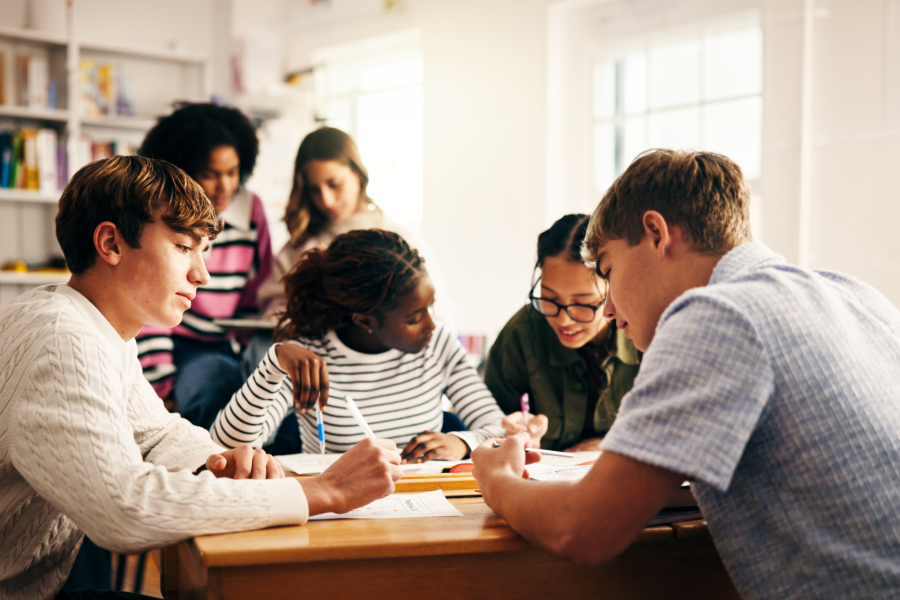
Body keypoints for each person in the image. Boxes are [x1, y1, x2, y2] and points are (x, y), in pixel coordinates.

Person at [470, 149, 900, 600]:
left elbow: (581, 529)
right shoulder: (854, 293)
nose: (610, 309)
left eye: (608, 270)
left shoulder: (716, 313)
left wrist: (497, 479)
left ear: (656, 234)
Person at [0, 156, 401, 599]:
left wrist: (221, 460)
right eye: (182, 247)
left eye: (203, 251)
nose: (202, 274)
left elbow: (155, 433)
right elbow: (124, 507)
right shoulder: (64, 341)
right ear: (111, 243)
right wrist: (321, 492)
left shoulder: (93, 328)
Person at [212, 229, 504, 463]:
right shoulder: (309, 358)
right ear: (365, 320)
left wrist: (461, 442)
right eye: (414, 318)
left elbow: (501, 432)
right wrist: (273, 363)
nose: (431, 324)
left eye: (430, 308)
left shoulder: (438, 344)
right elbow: (226, 447)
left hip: (425, 507)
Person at [135, 102, 274, 429]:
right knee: (214, 384)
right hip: (175, 343)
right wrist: (162, 382)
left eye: (232, 172)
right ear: (183, 171)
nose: (224, 186)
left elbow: (261, 289)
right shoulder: (162, 211)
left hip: (229, 345)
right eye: (210, 174)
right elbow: (148, 303)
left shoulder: (251, 209)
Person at [256, 127, 455, 329]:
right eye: (314, 189)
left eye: (334, 184)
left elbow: (439, 314)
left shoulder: (398, 241)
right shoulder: (300, 246)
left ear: (357, 173)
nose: (326, 200)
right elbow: (272, 311)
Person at [484, 214, 641, 451]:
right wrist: (513, 437)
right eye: (549, 299)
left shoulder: (648, 332)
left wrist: (609, 446)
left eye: (583, 303)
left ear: (613, 287)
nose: (563, 320)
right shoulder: (520, 336)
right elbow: (490, 431)